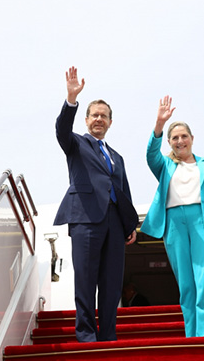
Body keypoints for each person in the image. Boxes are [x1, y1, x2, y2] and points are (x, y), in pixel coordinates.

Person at [53, 66, 139, 342]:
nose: (99, 119)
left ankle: (108, 335)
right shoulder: (76, 144)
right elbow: (62, 129)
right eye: (95, 115)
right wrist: (71, 99)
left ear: (110, 122)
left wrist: (130, 225)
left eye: (104, 116)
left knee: (112, 282)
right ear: (87, 119)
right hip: (86, 219)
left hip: (114, 223)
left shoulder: (117, 157)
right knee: (86, 279)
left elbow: (124, 191)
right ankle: (86, 335)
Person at [140, 95, 204, 337]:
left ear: (192, 138)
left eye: (184, 136)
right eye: (175, 138)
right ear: (169, 142)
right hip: (174, 224)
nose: (180, 141)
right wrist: (160, 124)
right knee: (186, 285)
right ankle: (192, 335)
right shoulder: (164, 165)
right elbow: (151, 155)